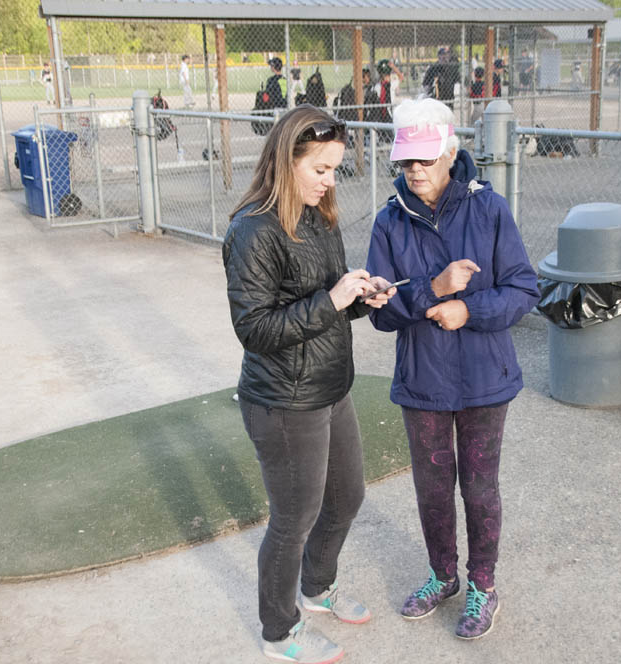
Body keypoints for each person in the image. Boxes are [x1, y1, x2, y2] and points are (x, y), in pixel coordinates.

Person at [223, 105, 396, 664]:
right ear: (286, 160)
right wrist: (332, 300)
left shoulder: (319, 216)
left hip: (330, 386)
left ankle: (317, 588)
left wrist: (360, 297)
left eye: (334, 169)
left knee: (347, 496)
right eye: (319, 169)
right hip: (283, 401)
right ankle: (279, 632)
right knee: (293, 520)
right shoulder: (252, 230)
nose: (329, 181)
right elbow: (255, 330)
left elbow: (326, 301)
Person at [365, 98, 540, 640]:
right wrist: (432, 290)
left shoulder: (490, 210)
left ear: (450, 151)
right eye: (406, 160)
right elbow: (381, 313)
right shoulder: (389, 222)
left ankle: (483, 584)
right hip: (424, 381)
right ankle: (443, 575)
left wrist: (469, 309)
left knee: (480, 488)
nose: (414, 170)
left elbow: (524, 289)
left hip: (486, 379)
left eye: (425, 158)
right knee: (433, 489)